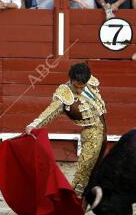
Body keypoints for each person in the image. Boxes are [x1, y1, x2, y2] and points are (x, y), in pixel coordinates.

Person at [24, 63, 107, 202]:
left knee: (95, 169)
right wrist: (34, 125)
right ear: (71, 79)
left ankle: (86, 201)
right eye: (77, 86)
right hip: (91, 134)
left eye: (82, 86)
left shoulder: (90, 82)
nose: (80, 90)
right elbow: (51, 111)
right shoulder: (64, 93)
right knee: (84, 170)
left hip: (103, 131)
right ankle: (72, 201)